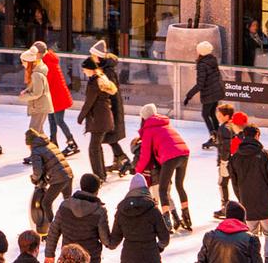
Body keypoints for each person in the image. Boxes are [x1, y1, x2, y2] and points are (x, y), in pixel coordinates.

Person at [227, 122, 268, 263]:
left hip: (247, 206)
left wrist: (242, 200)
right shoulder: (265, 154)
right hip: (266, 204)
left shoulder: (236, 157)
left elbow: (235, 184)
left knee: (250, 237)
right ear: (257, 136)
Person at [135, 103, 193, 234]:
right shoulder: (165, 123)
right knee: (180, 185)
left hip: (170, 157)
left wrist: (137, 172)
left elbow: (145, 156)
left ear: (144, 117)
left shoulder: (149, 129)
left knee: (162, 189)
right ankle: (186, 217)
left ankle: (166, 220)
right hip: (184, 153)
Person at [46, 174, 112, 263]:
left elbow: (53, 231)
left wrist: (49, 254)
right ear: (96, 189)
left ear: (82, 186)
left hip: (69, 262)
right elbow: (106, 240)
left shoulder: (65, 205)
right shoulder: (99, 211)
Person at [79, 60, 122, 181]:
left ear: (90, 69)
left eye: (84, 69)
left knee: (93, 149)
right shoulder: (100, 78)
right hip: (103, 118)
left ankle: (99, 176)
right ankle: (101, 173)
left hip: (99, 119)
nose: (83, 71)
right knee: (96, 147)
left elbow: (89, 102)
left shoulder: (94, 83)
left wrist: (81, 116)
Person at [26, 129, 74, 235]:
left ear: (30, 142)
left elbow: (37, 171)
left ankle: (53, 230)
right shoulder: (50, 144)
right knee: (68, 203)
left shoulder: (36, 150)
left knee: (46, 203)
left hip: (59, 179)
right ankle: (71, 228)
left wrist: (34, 179)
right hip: (68, 174)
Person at [184, 42, 227, 148]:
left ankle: (214, 138)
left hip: (209, 93)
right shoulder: (212, 60)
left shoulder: (202, 64)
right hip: (216, 91)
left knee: (205, 114)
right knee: (211, 114)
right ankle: (218, 137)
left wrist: (189, 95)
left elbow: (200, 84)